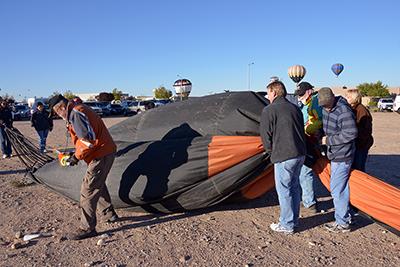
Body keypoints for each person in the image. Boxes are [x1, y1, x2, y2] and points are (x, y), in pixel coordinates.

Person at [48, 94, 118, 240]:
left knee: (88, 190)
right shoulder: (79, 109)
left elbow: (88, 141)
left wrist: (75, 157)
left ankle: (87, 228)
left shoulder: (76, 113)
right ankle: (109, 214)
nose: (57, 115)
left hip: (101, 154)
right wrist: (75, 152)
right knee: (98, 184)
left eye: (56, 112)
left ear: (61, 107)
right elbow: (85, 139)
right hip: (103, 151)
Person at [260, 79, 306, 234]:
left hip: (284, 155)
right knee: (294, 188)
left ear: (273, 92)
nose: (267, 96)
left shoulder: (269, 110)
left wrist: (270, 152)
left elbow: (265, 135)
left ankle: (286, 224)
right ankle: (294, 220)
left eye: (268, 93)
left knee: (284, 190)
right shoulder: (295, 108)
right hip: (299, 153)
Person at [318, 87, 358, 233]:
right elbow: (326, 128)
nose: (326, 109)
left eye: (328, 105)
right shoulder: (324, 108)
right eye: (324, 106)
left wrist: (329, 140)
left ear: (333, 98)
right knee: (341, 188)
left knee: (336, 189)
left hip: (343, 155)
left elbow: (351, 133)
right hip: (334, 154)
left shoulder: (343, 111)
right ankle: (347, 217)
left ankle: (342, 223)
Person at [294, 82, 323, 212]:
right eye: (298, 95)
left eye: (302, 94)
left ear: (310, 91)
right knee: (304, 172)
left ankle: (310, 203)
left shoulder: (315, 102)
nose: (299, 97)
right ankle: (308, 200)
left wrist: (308, 130)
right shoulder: (307, 104)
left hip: (311, 142)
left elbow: (319, 122)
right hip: (307, 141)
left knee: (305, 172)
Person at [344, 89, 374, 172]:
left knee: (358, 169)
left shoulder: (361, 110)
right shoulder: (352, 108)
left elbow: (365, 130)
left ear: (354, 98)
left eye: (348, 97)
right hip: (356, 143)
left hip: (361, 145)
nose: (346, 98)